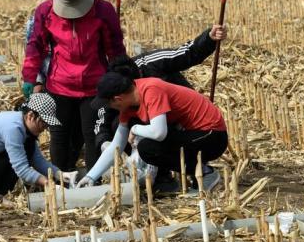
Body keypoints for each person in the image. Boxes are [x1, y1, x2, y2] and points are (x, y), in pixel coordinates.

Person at [22, 0, 125, 173]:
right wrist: (30, 77)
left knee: (92, 134)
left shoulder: (103, 11)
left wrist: (120, 77)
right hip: (59, 85)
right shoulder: (45, 11)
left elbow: (115, 48)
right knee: (59, 134)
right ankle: (61, 179)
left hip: (94, 86)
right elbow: (36, 46)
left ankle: (94, 178)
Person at [78, 73, 228, 192]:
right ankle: (198, 172)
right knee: (148, 148)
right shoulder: (128, 107)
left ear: (118, 99)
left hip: (212, 136)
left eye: (109, 104)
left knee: (148, 147)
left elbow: (159, 133)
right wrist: (91, 176)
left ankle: (205, 172)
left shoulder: (151, 89)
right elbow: (116, 147)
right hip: (191, 134)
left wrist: (134, 129)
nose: (111, 108)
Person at [94, 25, 227, 153]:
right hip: (150, 123)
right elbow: (104, 112)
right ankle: (147, 170)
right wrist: (104, 141)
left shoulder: (152, 67)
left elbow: (186, 54)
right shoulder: (112, 86)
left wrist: (209, 39)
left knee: (153, 143)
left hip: (177, 119)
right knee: (119, 124)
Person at [0, 93, 78, 197]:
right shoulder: (13, 129)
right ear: (31, 116)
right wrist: (48, 183)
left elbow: (37, 159)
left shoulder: (20, 124)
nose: (44, 128)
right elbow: (22, 169)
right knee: (21, 154)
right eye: (43, 123)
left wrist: (59, 174)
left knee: (28, 147)